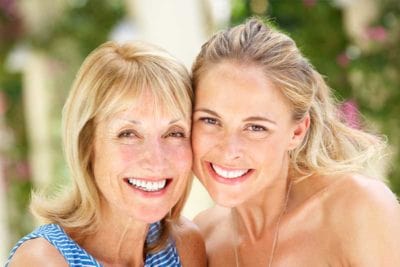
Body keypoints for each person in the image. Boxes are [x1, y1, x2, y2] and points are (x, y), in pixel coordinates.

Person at [191, 18, 400, 266]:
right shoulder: (202, 237)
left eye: (256, 127)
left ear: (297, 132)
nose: (229, 149)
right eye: (210, 120)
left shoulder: (357, 209)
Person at [6, 41, 206, 267]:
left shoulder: (184, 246)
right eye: (128, 134)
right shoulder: (44, 261)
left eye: (174, 133)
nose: (156, 160)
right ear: (87, 145)